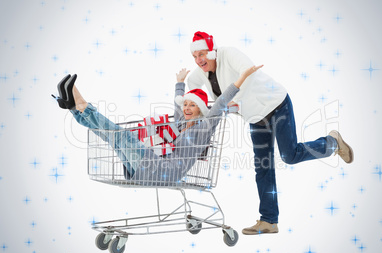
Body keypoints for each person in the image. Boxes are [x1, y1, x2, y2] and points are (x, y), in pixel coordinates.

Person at [186, 31, 354, 234]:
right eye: (195, 56)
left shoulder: (228, 54)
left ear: (211, 52)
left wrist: (235, 102)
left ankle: (332, 143)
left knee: (289, 155)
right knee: (263, 167)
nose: (199, 60)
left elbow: (248, 72)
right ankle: (269, 221)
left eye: (202, 54)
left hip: (275, 104)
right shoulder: (202, 72)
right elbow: (192, 84)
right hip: (256, 117)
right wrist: (201, 105)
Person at [52, 65, 262, 186]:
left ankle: (79, 104)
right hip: (152, 167)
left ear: (200, 110)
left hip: (164, 170)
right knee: (112, 137)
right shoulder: (179, 124)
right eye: (186, 105)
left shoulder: (205, 127)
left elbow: (220, 103)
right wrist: (180, 82)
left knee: (122, 136)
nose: (187, 108)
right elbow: (178, 101)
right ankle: (74, 107)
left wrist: (241, 78)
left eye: (192, 105)